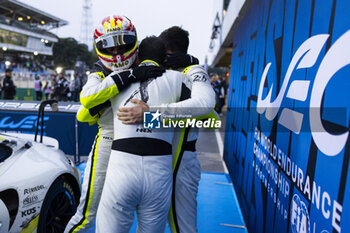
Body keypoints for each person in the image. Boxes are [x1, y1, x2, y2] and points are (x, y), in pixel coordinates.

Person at [79, 35, 212, 233]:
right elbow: (209, 116)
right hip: (163, 166)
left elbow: (84, 114)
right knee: (182, 225)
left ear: (138, 56)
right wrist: (154, 116)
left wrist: (149, 114)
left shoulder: (117, 80)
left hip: (125, 166)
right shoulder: (181, 79)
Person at [64, 15, 164, 233]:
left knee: (149, 219)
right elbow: (85, 106)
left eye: (122, 44)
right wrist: (129, 76)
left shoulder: (157, 71)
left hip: (150, 150)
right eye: (109, 47)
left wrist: (150, 115)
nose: (117, 53)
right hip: (109, 142)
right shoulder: (99, 73)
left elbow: (191, 117)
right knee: (87, 214)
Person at [118, 26, 217, 233]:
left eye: (163, 55)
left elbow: (207, 108)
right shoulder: (163, 75)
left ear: (171, 54)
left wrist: (150, 113)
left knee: (183, 227)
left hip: (182, 161)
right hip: (160, 161)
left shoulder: (193, 71)